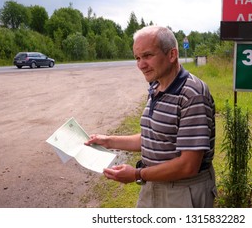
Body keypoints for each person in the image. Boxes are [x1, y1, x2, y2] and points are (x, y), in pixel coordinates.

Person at [85, 25, 216, 208]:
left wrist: (137, 174)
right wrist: (108, 141)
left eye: (147, 56)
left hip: (183, 192)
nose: (140, 65)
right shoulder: (156, 87)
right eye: (137, 58)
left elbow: (188, 165)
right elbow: (154, 137)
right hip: (153, 185)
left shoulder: (193, 94)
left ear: (172, 55)